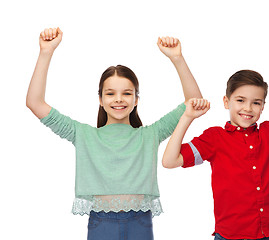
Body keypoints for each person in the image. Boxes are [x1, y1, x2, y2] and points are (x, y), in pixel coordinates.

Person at [26, 27, 202, 240]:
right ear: (100, 99)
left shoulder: (150, 134)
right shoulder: (83, 134)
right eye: (110, 93)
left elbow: (194, 104)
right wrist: (46, 52)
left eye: (126, 93)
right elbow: (35, 104)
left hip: (140, 222)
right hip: (102, 223)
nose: (119, 99)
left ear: (136, 99)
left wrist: (178, 58)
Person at [162, 35, 269, 240]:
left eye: (256, 102)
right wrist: (187, 117)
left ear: (263, 106)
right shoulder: (214, 138)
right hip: (229, 236)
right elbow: (169, 161)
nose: (248, 108)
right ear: (226, 102)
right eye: (240, 100)